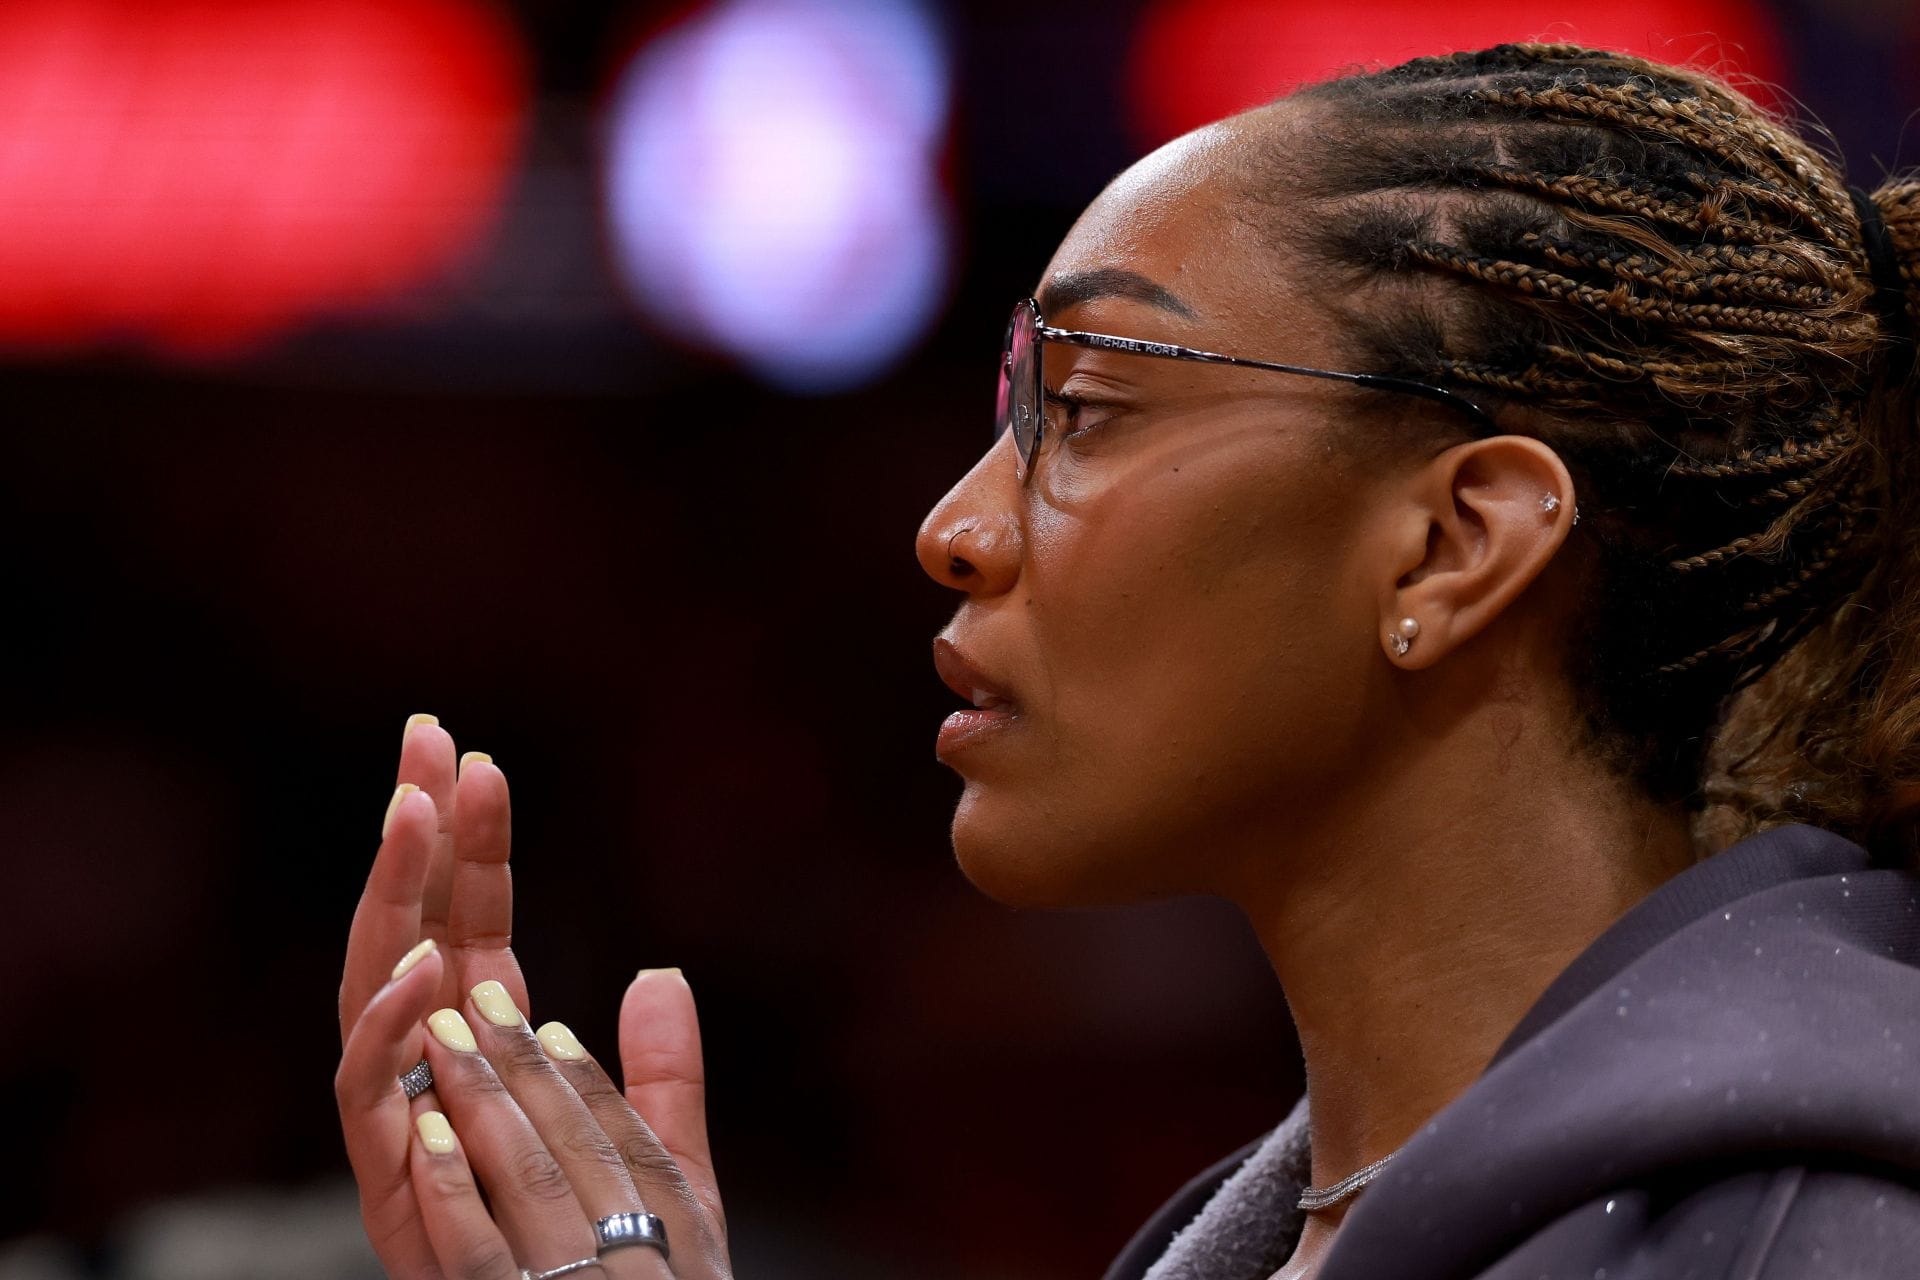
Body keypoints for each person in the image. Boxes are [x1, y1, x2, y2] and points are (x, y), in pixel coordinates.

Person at [334, 41, 1920, 1280]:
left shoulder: (1812, 1234)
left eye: (1081, 411)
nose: (954, 527)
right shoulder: (1257, 1239)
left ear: (1456, 541)